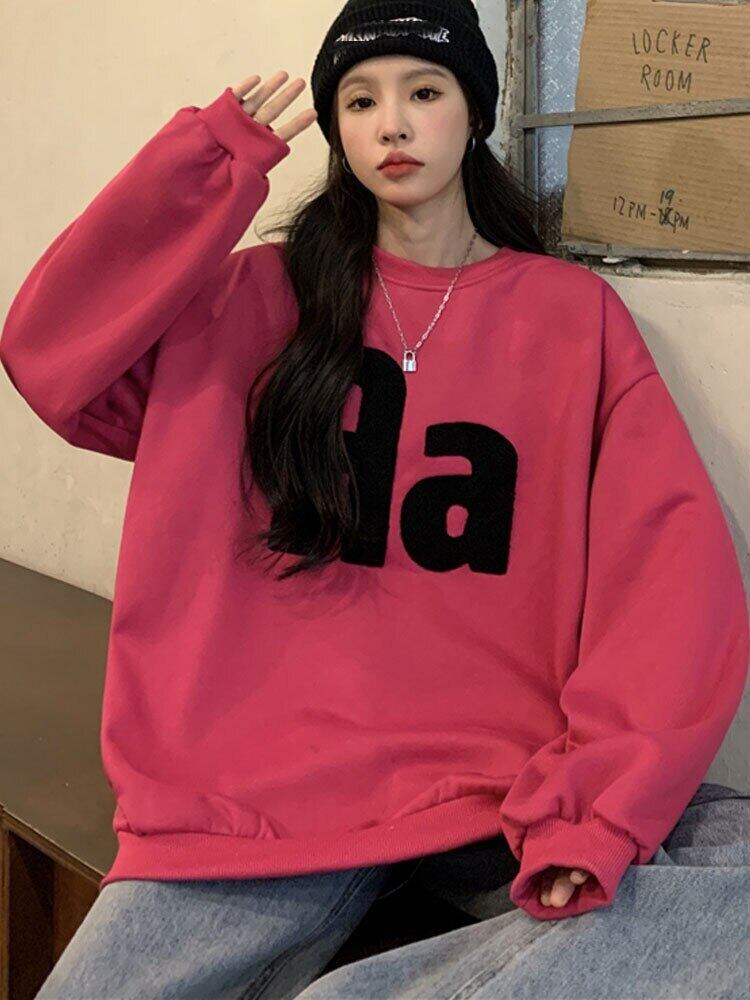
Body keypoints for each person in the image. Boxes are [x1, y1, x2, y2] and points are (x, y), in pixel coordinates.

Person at [1, 0, 747, 996]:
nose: (392, 124)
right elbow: (53, 358)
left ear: (474, 113)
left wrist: (597, 806)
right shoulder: (247, 301)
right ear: (337, 130)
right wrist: (203, 171)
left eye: (423, 91)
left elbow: (668, 580)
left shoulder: (573, 319)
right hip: (247, 802)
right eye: (360, 101)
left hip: (499, 793)